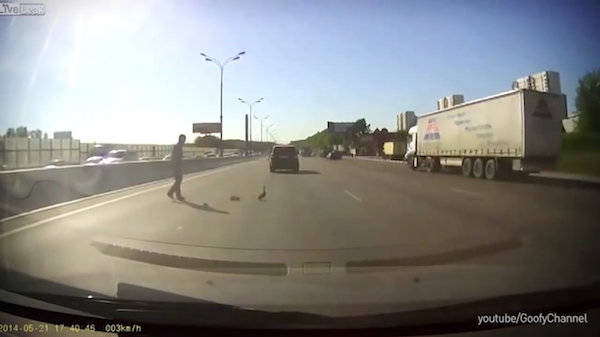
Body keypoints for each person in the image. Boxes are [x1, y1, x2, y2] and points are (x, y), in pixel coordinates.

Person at [167, 134, 186, 201]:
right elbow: (175, 157)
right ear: (180, 139)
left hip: (177, 165)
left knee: (178, 180)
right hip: (176, 166)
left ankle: (177, 195)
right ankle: (171, 192)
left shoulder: (179, 147)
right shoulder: (177, 147)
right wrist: (176, 165)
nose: (184, 141)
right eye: (183, 139)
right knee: (178, 180)